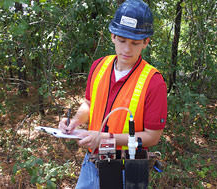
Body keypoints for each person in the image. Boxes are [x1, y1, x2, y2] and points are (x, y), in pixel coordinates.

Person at [58, 0, 167, 188]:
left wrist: (106, 138)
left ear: (146, 42)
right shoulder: (99, 66)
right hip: (91, 165)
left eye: (134, 43)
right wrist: (75, 121)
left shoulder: (153, 82)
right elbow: (89, 104)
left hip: (126, 171)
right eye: (122, 40)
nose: (126, 49)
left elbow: (152, 137)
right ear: (113, 36)